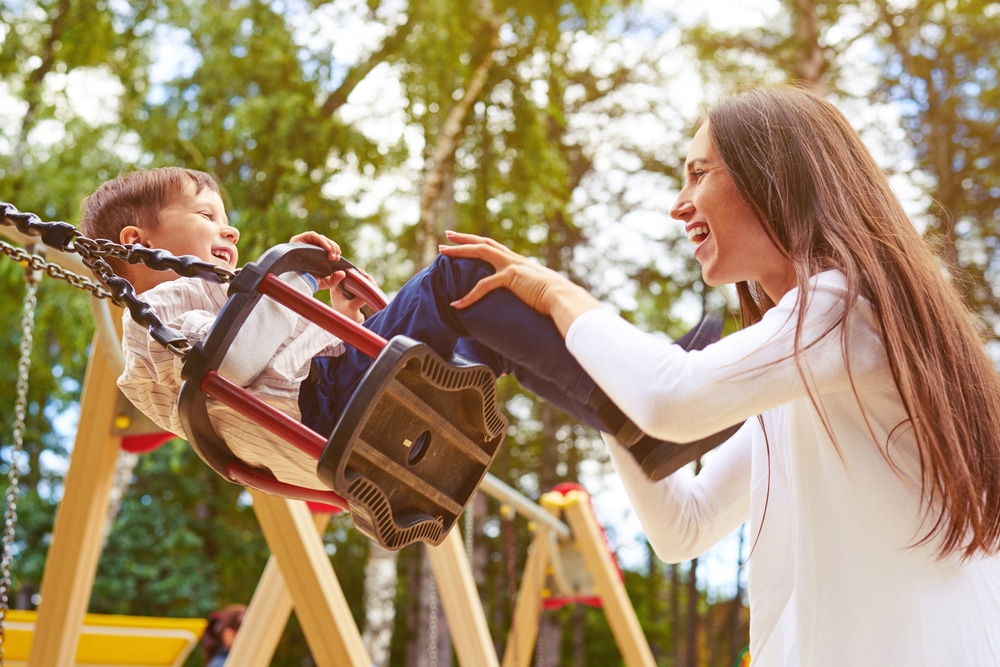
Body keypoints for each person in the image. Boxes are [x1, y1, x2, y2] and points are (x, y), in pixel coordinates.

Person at [439, 84, 1000, 665]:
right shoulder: (809, 374)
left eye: (699, 174)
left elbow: (671, 399)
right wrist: (597, 390)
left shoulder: (845, 309)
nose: (679, 203)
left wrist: (559, 294)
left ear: (775, 178)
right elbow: (686, 525)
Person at [80, 167, 726, 491]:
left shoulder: (212, 298)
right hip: (329, 407)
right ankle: (645, 391)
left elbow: (274, 358)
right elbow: (233, 362)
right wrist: (290, 281)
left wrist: (338, 311)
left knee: (489, 327)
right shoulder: (158, 312)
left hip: (331, 405)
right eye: (206, 214)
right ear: (139, 242)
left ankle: (634, 422)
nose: (230, 231)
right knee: (462, 275)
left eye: (227, 219)